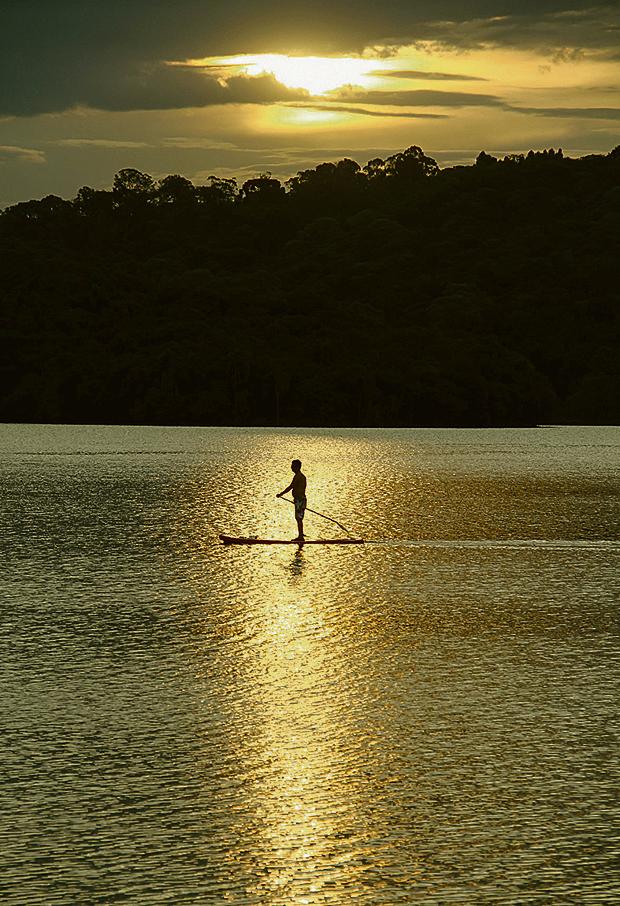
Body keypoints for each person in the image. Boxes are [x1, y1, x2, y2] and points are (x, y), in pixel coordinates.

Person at [276, 459, 307, 542]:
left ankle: (301, 537)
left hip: (300, 500)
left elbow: (291, 487)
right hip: (299, 500)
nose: (291, 467)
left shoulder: (299, 476)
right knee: (298, 518)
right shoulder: (299, 476)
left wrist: (281, 494)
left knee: (299, 518)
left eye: (293, 466)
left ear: (297, 467)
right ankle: (301, 535)